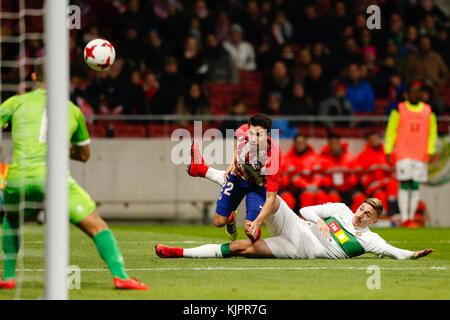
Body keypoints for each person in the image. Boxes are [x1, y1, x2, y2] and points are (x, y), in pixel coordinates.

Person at [0, 68, 148, 290]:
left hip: (17, 176)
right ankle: (121, 277)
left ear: (33, 78)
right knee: (96, 226)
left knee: (12, 218)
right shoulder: (72, 110)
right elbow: (84, 155)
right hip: (53, 177)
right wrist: (63, 148)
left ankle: (8, 277)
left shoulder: (15, 102)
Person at [156, 186, 433, 260]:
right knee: (273, 198)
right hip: (299, 226)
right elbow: (306, 208)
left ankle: (179, 252)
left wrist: (413, 255)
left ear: (375, 220)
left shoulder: (370, 240)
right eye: (361, 208)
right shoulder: (339, 209)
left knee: (241, 247)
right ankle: (255, 222)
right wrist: (320, 222)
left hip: (300, 249)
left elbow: (394, 252)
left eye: (367, 215)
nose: (360, 215)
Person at [187, 114, 281, 242]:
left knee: (250, 230)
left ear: (268, 135)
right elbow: (239, 143)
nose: (253, 138)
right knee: (218, 222)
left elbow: (271, 198)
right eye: (252, 133)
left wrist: (258, 222)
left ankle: (200, 169)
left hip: (258, 188)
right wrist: (232, 163)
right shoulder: (243, 132)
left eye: (259, 135)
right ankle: (231, 219)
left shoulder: (273, 156)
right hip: (239, 178)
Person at [385, 81, 438, 228]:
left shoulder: (428, 110)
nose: (415, 94)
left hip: (420, 154)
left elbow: (432, 133)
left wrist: (431, 150)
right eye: (412, 91)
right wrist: (388, 149)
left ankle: (411, 218)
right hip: (403, 154)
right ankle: (405, 218)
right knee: (404, 184)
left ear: (421, 94)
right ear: (406, 94)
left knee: (415, 185)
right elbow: (391, 131)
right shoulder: (399, 109)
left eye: (417, 91)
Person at [279, 133, 327, 213]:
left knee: (321, 194)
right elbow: (293, 178)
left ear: (306, 143)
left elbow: (318, 174)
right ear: (295, 144)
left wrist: (314, 185)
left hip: (313, 186)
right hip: (294, 188)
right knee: (308, 195)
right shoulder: (288, 158)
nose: (300, 145)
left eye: (302, 142)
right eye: (298, 143)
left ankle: (321, 220)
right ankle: (305, 219)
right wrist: (307, 186)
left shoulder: (314, 156)